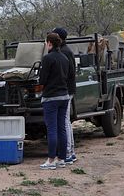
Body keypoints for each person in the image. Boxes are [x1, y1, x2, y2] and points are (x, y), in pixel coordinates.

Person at [39, 33, 73, 170]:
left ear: (49, 43)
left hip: (51, 97)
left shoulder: (47, 58)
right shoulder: (65, 58)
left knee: (51, 129)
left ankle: (51, 160)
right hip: (64, 96)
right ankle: (62, 159)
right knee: (61, 128)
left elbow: (42, 80)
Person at [52, 28, 77, 164]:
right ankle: (71, 151)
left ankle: (67, 152)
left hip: (65, 90)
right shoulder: (66, 50)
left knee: (64, 122)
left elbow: (68, 73)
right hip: (67, 90)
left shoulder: (65, 52)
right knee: (66, 121)